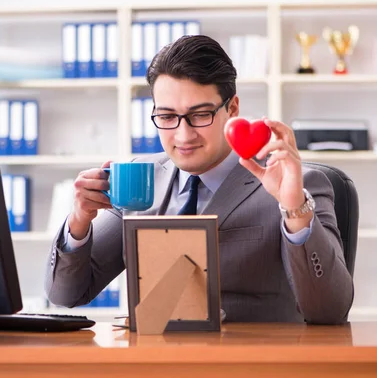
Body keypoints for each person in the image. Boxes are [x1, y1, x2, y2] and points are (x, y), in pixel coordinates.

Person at [45, 35, 353, 324]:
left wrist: (294, 208)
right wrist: (79, 221)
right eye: (167, 117)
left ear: (231, 109)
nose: (183, 135)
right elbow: (65, 294)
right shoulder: (138, 179)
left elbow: (329, 311)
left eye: (200, 114)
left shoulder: (298, 183)